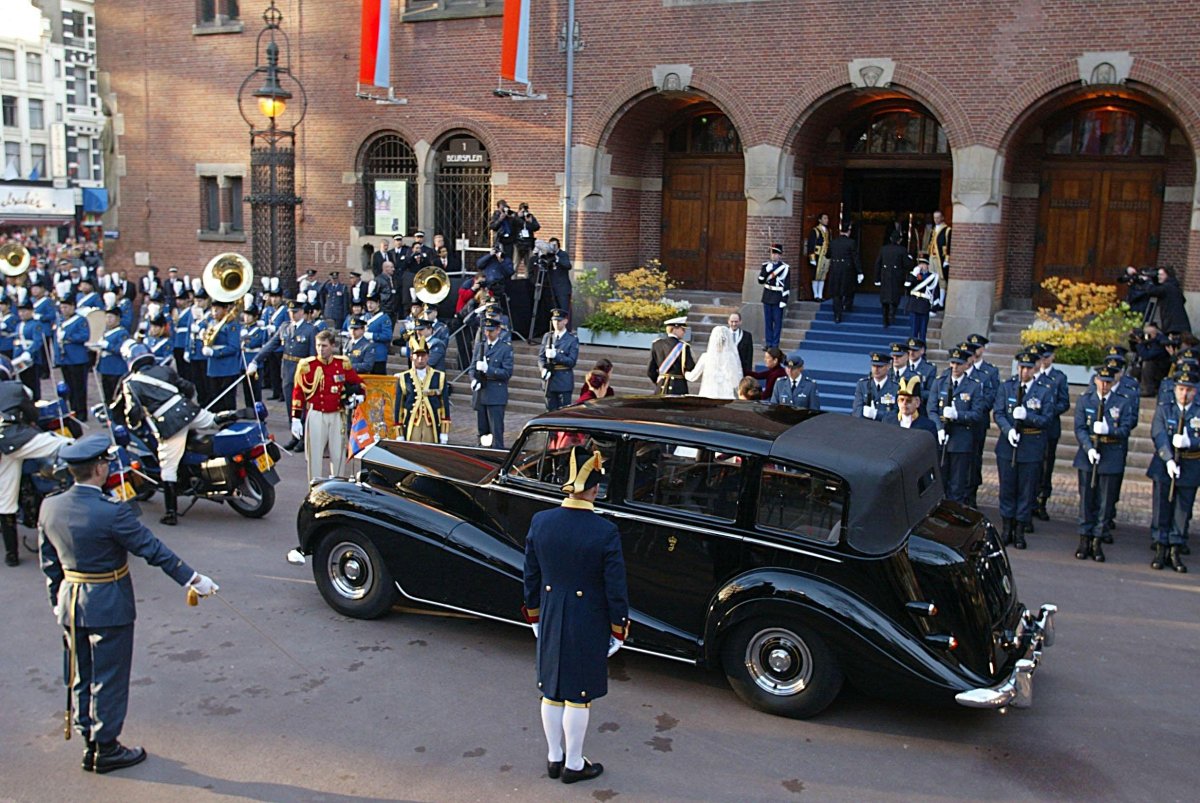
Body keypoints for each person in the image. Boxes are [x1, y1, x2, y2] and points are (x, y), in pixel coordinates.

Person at [39, 432, 218, 773]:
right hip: (108, 603)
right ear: (99, 469)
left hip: (70, 602)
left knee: (79, 673)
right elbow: (152, 550)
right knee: (109, 676)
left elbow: (50, 564)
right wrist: (192, 579)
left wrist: (57, 602)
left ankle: (88, 739)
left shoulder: (51, 506)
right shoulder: (112, 512)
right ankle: (105, 747)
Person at [522, 445, 628, 785]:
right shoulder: (604, 531)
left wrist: (536, 615)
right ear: (594, 489)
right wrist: (618, 627)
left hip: (551, 612)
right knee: (579, 695)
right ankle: (574, 763)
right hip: (588, 618)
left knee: (550, 688)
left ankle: (554, 758)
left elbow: (531, 576)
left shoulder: (541, 521)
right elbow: (615, 587)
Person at [114, 342, 215, 525]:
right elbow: (188, 387)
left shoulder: (131, 384)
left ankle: (170, 513)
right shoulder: (165, 370)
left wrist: (133, 424)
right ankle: (238, 415)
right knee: (213, 420)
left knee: (168, 468)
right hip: (189, 410)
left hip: (169, 424)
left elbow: (133, 411)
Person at [0, 358, 69, 565]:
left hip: (3, 450)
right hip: (19, 439)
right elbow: (32, 413)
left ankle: (11, 554)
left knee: (5, 502)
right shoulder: (15, 387)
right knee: (67, 445)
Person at [993, 350, 1057, 549]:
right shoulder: (1007, 387)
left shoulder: (1044, 390)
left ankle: (1020, 530)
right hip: (1008, 444)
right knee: (1007, 488)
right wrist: (1008, 429)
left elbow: (1047, 418)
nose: (1024, 371)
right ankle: (1006, 528)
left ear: (1036, 368)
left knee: (1026, 490)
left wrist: (1028, 417)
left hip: (1031, 444)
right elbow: (999, 412)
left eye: (1028, 368)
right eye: (1021, 367)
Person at [1072, 365, 1130, 563]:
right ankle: (1084, 538)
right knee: (1086, 500)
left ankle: (1097, 540)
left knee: (1105, 502)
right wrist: (1089, 448)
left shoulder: (1122, 402)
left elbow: (1125, 429)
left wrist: (1109, 431)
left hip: (1110, 455)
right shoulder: (1085, 400)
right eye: (1101, 381)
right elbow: (1079, 428)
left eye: (1108, 382)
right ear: (1095, 380)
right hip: (1089, 457)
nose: (1104, 385)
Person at [291, 329, 364, 481]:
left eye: (324, 346)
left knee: (338, 455)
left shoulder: (341, 364)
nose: (320, 349)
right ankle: (314, 488)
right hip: (317, 413)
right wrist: (296, 418)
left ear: (332, 346)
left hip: (337, 414)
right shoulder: (308, 365)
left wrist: (357, 396)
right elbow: (298, 392)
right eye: (318, 345)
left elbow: (358, 383)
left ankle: (336, 488)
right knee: (315, 456)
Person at [1147, 369, 1198, 573]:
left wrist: (1191, 442)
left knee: (1182, 510)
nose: (1184, 394)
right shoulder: (1165, 408)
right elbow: (1158, 433)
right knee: (1162, 507)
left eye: (1188, 390)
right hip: (1164, 465)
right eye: (1181, 389)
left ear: (1195, 391)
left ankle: (1175, 548)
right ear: (1175, 389)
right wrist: (1168, 458)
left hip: (1191, 465)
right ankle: (1160, 547)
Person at [253, 299, 315, 452]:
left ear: (302, 312)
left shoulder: (310, 330)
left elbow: (313, 354)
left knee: (303, 405)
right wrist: (256, 360)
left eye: (295, 312)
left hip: (303, 370)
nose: (292, 315)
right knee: (290, 403)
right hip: (287, 369)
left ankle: (305, 437)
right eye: (290, 312)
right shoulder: (285, 327)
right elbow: (271, 345)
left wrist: (312, 373)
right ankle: (295, 435)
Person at [928, 347, 987, 503]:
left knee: (957, 485)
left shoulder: (973, 386)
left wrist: (958, 415)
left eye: (958, 364)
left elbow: (977, 414)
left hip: (961, 440)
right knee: (939, 483)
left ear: (966, 365)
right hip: (942, 440)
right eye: (952, 363)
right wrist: (939, 428)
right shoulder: (940, 382)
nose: (954, 367)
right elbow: (931, 409)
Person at [1032, 343, 1071, 522]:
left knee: (1047, 465)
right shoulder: (1032, 375)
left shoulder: (1058, 378)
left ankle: (1042, 500)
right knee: (1032, 465)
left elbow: (1064, 402)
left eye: (1046, 357)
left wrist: (1048, 410)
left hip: (1049, 428)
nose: (1043, 361)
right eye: (1041, 358)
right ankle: (1030, 499)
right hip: (1031, 428)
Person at [393, 334, 451, 444]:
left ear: (428, 357)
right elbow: (399, 406)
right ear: (411, 357)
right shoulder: (404, 377)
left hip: (432, 422)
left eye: (423, 356)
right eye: (417, 356)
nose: (420, 359)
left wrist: (444, 431)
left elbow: (444, 404)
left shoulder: (439, 376)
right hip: (412, 422)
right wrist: (399, 432)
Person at [471, 315, 513, 449]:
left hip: (495, 395)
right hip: (480, 394)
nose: (488, 333)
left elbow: (506, 373)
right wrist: (473, 379)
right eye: (486, 330)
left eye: (491, 330)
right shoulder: (480, 346)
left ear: (498, 330)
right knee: (482, 433)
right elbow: (472, 367)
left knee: (496, 434)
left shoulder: (505, 348)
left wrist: (489, 370)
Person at [201, 299, 242, 414]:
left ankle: (229, 421)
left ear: (225, 310)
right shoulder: (212, 323)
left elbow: (234, 347)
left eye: (217, 309)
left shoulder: (231, 325)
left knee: (227, 398)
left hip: (227, 367)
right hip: (213, 367)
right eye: (213, 309)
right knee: (215, 396)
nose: (214, 312)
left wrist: (215, 353)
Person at [55, 292, 91, 421]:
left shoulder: (80, 320)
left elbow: (84, 336)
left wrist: (69, 337)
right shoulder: (60, 320)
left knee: (79, 387)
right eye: (62, 307)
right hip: (65, 359)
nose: (64, 310)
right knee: (69, 387)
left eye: (66, 307)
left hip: (77, 358)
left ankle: (82, 412)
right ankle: (73, 410)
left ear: (73, 307)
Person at [685, 325, 743, 400]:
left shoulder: (706, 357)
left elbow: (692, 377)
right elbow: (736, 382)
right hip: (726, 397)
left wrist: (685, 372)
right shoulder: (731, 357)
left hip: (708, 396)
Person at [539, 309, 579, 411]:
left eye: (559, 320)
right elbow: (541, 357)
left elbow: (571, 361)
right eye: (554, 320)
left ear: (565, 321)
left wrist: (556, 356)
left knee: (563, 413)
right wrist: (543, 369)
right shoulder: (548, 336)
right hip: (550, 380)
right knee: (550, 412)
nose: (556, 323)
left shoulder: (572, 339)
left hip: (563, 380)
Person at [646, 316, 695, 396]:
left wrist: (660, 381)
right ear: (674, 329)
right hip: (678, 388)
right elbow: (690, 367)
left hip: (660, 388)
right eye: (682, 329)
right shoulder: (683, 347)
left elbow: (650, 371)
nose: (684, 332)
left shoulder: (656, 344)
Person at [874, 229, 911, 328]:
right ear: (899, 240)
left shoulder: (883, 249)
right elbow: (907, 265)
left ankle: (885, 319)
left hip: (885, 275)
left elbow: (878, 263)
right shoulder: (902, 250)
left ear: (890, 239)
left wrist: (876, 278)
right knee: (894, 296)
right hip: (896, 275)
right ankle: (892, 315)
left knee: (885, 297)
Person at [825, 221, 860, 324]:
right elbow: (855, 258)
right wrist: (859, 271)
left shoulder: (833, 242)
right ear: (848, 231)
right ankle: (847, 305)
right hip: (847, 270)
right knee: (848, 289)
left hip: (835, 269)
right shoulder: (851, 243)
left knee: (836, 294)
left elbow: (827, 255)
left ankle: (837, 316)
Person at [757, 244, 790, 349]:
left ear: (780, 255)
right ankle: (768, 343)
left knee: (777, 322)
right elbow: (760, 281)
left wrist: (784, 299)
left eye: (776, 253)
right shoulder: (766, 265)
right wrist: (766, 271)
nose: (774, 256)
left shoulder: (785, 268)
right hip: (767, 295)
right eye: (772, 253)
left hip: (778, 297)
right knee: (768, 321)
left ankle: (775, 344)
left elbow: (787, 284)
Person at [14, 298, 48, 400]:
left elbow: (38, 341)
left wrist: (29, 352)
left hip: (32, 359)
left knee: (33, 384)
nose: (21, 314)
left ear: (31, 311)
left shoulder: (36, 324)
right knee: (23, 384)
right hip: (21, 358)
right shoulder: (19, 325)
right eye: (20, 311)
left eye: (24, 311)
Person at [96, 306, 130, 405]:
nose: (108, 320)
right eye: (106, 317)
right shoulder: (105, 332)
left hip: (116, 368)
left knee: (115, 395)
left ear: (118, 318)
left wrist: (108, 346)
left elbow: (121, 349)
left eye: (111, 317)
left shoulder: (122, 333)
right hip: (105, 367)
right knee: (107, 394)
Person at [852, 351, 899, 421]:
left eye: (880, 366)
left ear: (888, 366)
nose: (876, 369)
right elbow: (856, 410)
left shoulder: (896, 387)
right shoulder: (862, 385)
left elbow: (896, 414)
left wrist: (876, 414)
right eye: (874, 366)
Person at [1146, 266, 1191, 335]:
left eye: (1161, 275)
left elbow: (1151, 291)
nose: (1158, 277)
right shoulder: (1174, 286)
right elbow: (1183, 300)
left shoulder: (1166, 287)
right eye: (1158, 274)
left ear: (1168, 275)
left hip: (1172, 326)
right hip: (1180, 324)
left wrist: (1149, 281)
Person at [904, 258, 938, 342]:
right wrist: (914, 275)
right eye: (920, 264)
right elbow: (907, 287)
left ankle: (922, 353)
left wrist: (934, 309)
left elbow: (936, 293)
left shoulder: (932, 277)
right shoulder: (913, 275)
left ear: (927, 266)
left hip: (924, 305)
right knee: (913, 332)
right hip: (914, 304)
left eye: (924, 264)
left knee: (923, 333)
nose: (922, 267)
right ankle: (912, 352)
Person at [240, 303, 266, 405]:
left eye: (249, 315)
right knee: (246, 389)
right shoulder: (243, 329)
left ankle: (257, 411)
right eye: (245, 315)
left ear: (255, 317)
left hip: (255, 361)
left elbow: (254, 343)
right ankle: (249, 409)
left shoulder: (259, 330)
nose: (246, 317)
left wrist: (245, 339)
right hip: (244, 361)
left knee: (255, 390)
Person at [924, 210, 951, 309]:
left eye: (938, 217)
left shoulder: (947, 230)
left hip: (941, 258)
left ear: (942, 218)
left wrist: (947, 260)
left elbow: (949, 246)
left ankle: (941, 302)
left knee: (941, 279)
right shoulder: (933, 229)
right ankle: (933, 299)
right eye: (934, 217)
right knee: (932, 278)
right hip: (932, 257)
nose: (936, 219)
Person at [902, 337, 937, 409]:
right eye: (909, 350)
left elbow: (931, 392)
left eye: (915, 350)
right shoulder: (902, 364)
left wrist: (914, 393)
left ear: (922, 350)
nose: (911, 353)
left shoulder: (929, 368)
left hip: (919, 406)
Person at [806, 212, 831, 301]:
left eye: (827, 218)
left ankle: (820, 295)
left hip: (826, 256)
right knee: (816, 275)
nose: (826, 220)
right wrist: (812, 258)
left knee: (823, 275)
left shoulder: (828, 231)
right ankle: (815, 295)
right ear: (820, 220)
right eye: (824, 218)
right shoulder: (815, 231)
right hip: (817, 255)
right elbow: (811, 244)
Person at [727, 311, 753, 376]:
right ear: (728, 321)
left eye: (736, 321)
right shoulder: (723, 335)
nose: (734, 324)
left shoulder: (747, 336)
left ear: (740, 322)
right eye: (732, 321)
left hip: (742, 371)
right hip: (727, 371)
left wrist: (748, 373)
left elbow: (749, 356)